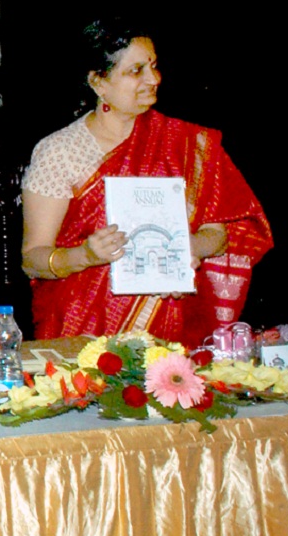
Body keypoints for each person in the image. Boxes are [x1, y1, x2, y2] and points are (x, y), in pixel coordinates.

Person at [21, 19, 271, 345]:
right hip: (84, 331)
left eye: (153, 66)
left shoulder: (187, 143)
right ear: (98, 82)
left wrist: (183, 250)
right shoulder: (60, 151)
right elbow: (32, 259)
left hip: (173, 323)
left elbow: (218, 233)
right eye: (136, 70)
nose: (154, 79)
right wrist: (85, 255)